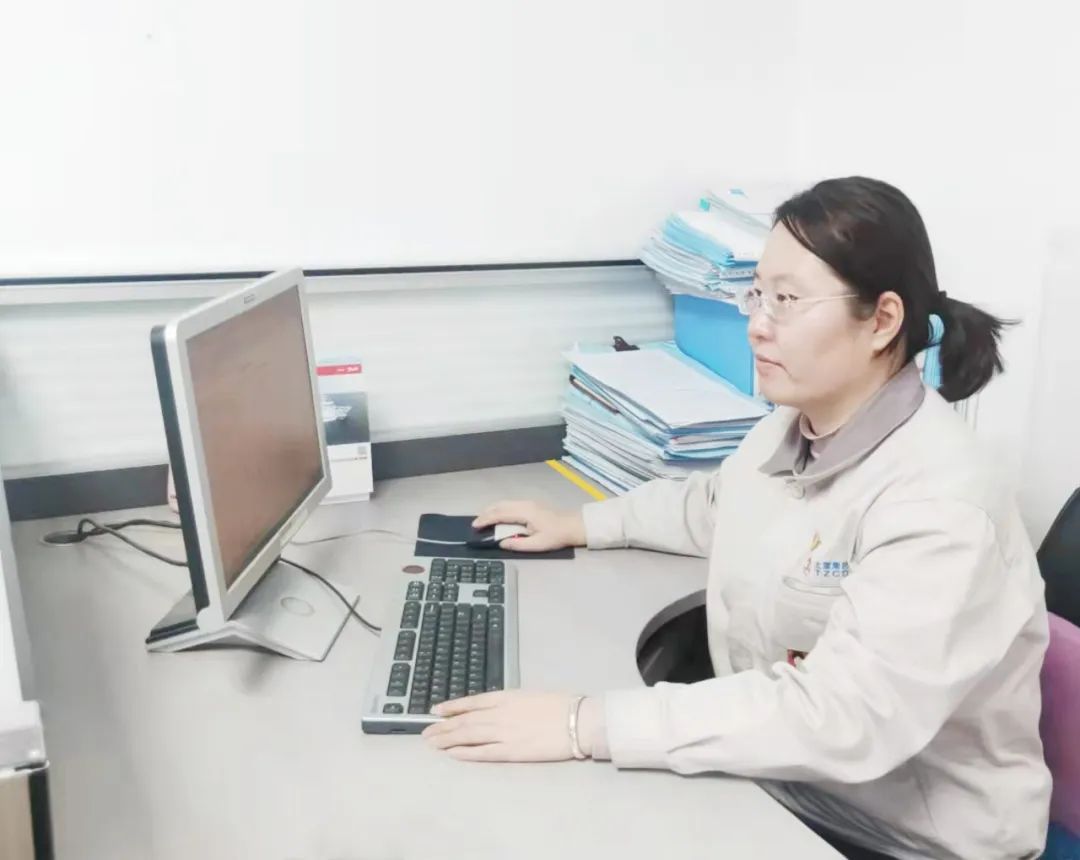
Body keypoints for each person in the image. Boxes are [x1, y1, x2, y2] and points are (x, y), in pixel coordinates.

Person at [421, 177, 1052, 860]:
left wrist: (585, 724)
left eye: (788, 300)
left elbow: (845, 717)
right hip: (795, 787)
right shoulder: (794, 425)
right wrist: (581, 524)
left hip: (908, 838)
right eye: (757, 294)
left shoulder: (941, 502)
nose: (757, 322)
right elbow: (715, 505)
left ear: (881, 320)